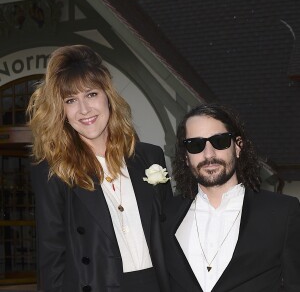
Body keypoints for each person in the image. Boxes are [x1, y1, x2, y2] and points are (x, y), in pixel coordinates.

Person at [27, 45, 172, 292]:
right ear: (61, 111)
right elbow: (51, 254)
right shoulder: (53, 170)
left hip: (157, 284)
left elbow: (170, 234)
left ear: (107, 96)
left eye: (91, 94)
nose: (84, 110)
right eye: (71, 100)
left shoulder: (149, 156)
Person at [162, 103, 300, 292]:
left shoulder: (282, 213)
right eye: (195, 145)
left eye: (219, 141)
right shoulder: (166, 215)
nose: (208, 154)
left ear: (238, 147)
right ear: (186, 157)